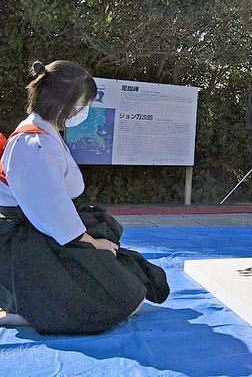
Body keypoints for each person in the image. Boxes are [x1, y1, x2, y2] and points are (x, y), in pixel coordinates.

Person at [0, 61, 169, 334]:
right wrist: (90, 242)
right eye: (82, 103)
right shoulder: (34, 144)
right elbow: (50, 211)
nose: (84, 111)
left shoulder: (45, 131)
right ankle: (27, 309)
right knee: (124, 301)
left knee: (132, 281)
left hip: (53, 232)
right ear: (63, 101)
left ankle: (33, 304)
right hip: (32, 240)